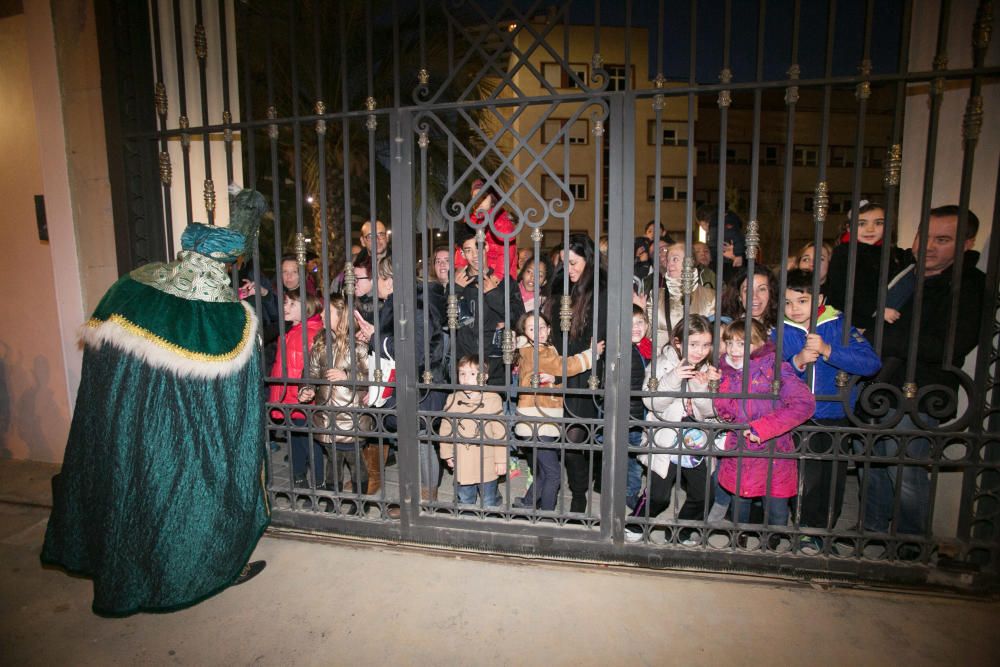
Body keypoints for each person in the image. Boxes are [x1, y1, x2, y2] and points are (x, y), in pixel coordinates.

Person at [41, 186, 270, 616]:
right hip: (175, 442)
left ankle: (119, 570)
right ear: (224, 263)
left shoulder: (129, 288)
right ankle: (204, 567)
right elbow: (234, 413)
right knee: (178, 499)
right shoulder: (223, 315)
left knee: (127, 498)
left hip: (119, 430)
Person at [860, 206, 986, 551]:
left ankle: (911, 546)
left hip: (921, 391)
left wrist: (881, 335)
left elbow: (953, 344)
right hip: (878, 387)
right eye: (924, 236)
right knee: (874, 463)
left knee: (905, 470)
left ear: (966, 243)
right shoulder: (905, 273)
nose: (929, 246)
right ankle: (869, 535)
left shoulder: (969, 284)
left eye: (942, 239)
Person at [779, 270, 881, 554]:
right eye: (787, 302)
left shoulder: (838, 325)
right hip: (798, 416)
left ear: (820, 299)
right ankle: (804, 531)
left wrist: (828, 350)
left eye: (802, 301)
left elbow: (870, 363)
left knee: (831, 477)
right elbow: (768, 370)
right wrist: (797, 361)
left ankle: (825, 531)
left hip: (834, 413)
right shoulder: (781, 331)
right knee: (804, 476)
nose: (794, 309)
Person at [714, 319, 815, 545]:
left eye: (742, 343)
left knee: (777, 508)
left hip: (773, 451)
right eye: (729, 343)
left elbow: (803, 403)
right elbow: (725, 412)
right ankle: (738, 540)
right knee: (740, 502)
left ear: (759, 343)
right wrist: (714, 387)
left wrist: (764, 427)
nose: (733, 350)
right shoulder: (725, 370)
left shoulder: (774, 368)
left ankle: (771, 543)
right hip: (740, 449)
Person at [627, 315, 721, 544]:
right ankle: (636, 523)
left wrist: (701, 388)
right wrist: (673, 379)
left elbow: (710, 411)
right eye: (694, 344)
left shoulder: (709, 369)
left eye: (706, 345)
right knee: (659, 495)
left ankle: (683, 529)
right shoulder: (662, 364)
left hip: (696, 439)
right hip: (666, 437)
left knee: (704, 494)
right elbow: (652, 403)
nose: (700, 351)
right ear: (678, 343)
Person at [544, 234, 606, 513]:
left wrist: (584, 356)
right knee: (553, 434)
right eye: (563, 262)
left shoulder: (600, 289)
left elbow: (599, 337)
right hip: (558, 367)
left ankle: (579, 495)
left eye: (574, 262)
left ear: (588, 260)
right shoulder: (559, 287)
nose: (568, 268)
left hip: (584, 372)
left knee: (573, 438)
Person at [513, 312, 600, 511]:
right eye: (533, 328)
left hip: (541, 419)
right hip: (537, 420)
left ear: (549, 329)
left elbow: (551, 376)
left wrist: (553, 380)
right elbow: (565, 366)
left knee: (545, 471)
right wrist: (591, 354)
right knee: (553, 474)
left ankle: (527, 503)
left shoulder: (541, 350)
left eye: (542, 327)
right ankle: (547, 514)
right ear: (525, 333)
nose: (539, 332)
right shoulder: (536, 352)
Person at [298, 295, 371, 510]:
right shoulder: (320, 345)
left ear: (341, 317)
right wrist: (306, 389)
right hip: (327, 416)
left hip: (352, 417)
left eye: (327, 312)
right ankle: (333, 500)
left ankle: (360, 503)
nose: (320, 314)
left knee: (354, 460)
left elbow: (371, 378)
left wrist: (346, 375)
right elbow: (309, 374)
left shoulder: (359, 347)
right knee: (333, 461)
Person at [454, 232, 525, 387]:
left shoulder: (504, 282)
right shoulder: (457, 282)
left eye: (478, 247)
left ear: (486, 246)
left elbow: (520, 321)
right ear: (462, 253)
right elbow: (442, 321)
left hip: (496, 366)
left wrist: (494, 294)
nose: (475, 255)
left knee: (492, 409)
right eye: (468, 250)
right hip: (464, 367)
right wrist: (455, 291)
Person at [270, 290, 324, 488]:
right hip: (289, 396)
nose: (285, 308)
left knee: (310, 443)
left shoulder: (311, 333)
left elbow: (314, 369)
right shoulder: (292, 330)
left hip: (303, 398)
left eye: (291, 304)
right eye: (285, 303)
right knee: (295, 440)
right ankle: (298, 478)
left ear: (306, 308)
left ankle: (318, 484)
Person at [825, 201, 905, 332]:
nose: (870, 229)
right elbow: (843, 289)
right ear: (849, 228)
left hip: (876, 319)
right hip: (847, 320)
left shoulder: (889, 252)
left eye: (878, 223)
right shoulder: (844, 252)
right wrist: (876, 309)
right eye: (862, 224)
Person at [439, 354, 508, 506]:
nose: (466, 378)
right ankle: (466, 522)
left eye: (472, 374)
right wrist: (446, 454)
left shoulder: (493, 399)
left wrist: (501, 460)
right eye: (462, 373)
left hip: (487, 461)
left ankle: (490, 522)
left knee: (488, 499)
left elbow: (500, 433)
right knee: (465, 499)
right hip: (462, 460)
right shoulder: (452, 399)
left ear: (485, 377)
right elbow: (445, 429)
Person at [636, 242, 715, 342]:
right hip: (662, 356)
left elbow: (712, 337)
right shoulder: (656, 295)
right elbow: (648, 335)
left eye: (675, 259)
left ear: (690, 262)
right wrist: (642, 313)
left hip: (697, 355)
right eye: (668, 260)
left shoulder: (710, 296)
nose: (669, 264)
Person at [453, 179, 518, 279]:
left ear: (492, 198)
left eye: (482, 196)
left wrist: (496, 278)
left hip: (499, 278)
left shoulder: (502, 221)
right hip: (477, 275)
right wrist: (460, 269)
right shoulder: (471, 221)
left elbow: (506, 254)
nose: (478, 200)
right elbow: (462, 247)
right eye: (474, 197)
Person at [626, 305, 652, 510]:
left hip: (641, 415)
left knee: (635, 462)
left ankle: (630, 492)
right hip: (626, 414)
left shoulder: (648, 348)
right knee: (625, 460)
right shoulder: (622, 349)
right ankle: (624, 491)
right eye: (631, 323)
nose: (636, 327)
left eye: (640, 322)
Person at [696, 205, 746, 283]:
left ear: (705, 222)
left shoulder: (718, 232)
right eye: (697, 252)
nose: (703, 254)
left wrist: (737, 255)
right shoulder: (729, 229)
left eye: (706, 251)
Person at [721, 265, 779, 333]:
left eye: (762, 289)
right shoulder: (726, 328)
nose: (754, 296)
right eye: (747, 290)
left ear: (771, 293)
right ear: (739, 296)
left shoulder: (781, 329)